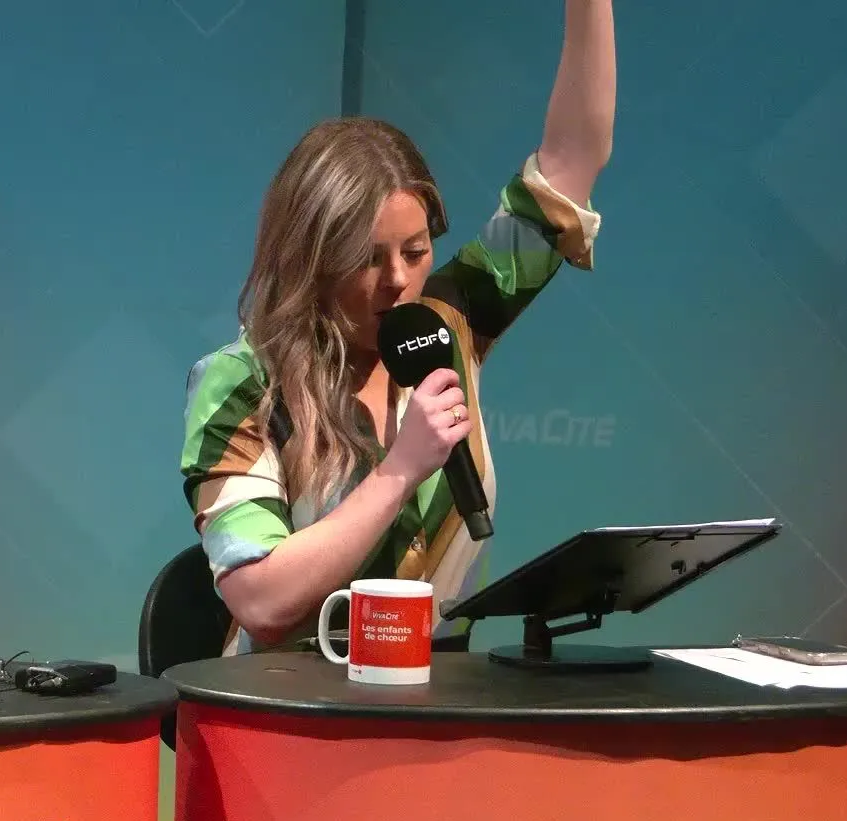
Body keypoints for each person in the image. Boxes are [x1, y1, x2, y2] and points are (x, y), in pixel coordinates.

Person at [181, 0, 615, 654]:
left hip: (443, 694)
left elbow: (571, 159)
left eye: (415, 251)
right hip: (294, 702)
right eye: (366, 259)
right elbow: (262, 601)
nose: (398, 280)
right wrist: (400, 470)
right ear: (310, 258)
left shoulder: (446, 322)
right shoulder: (241, 381)